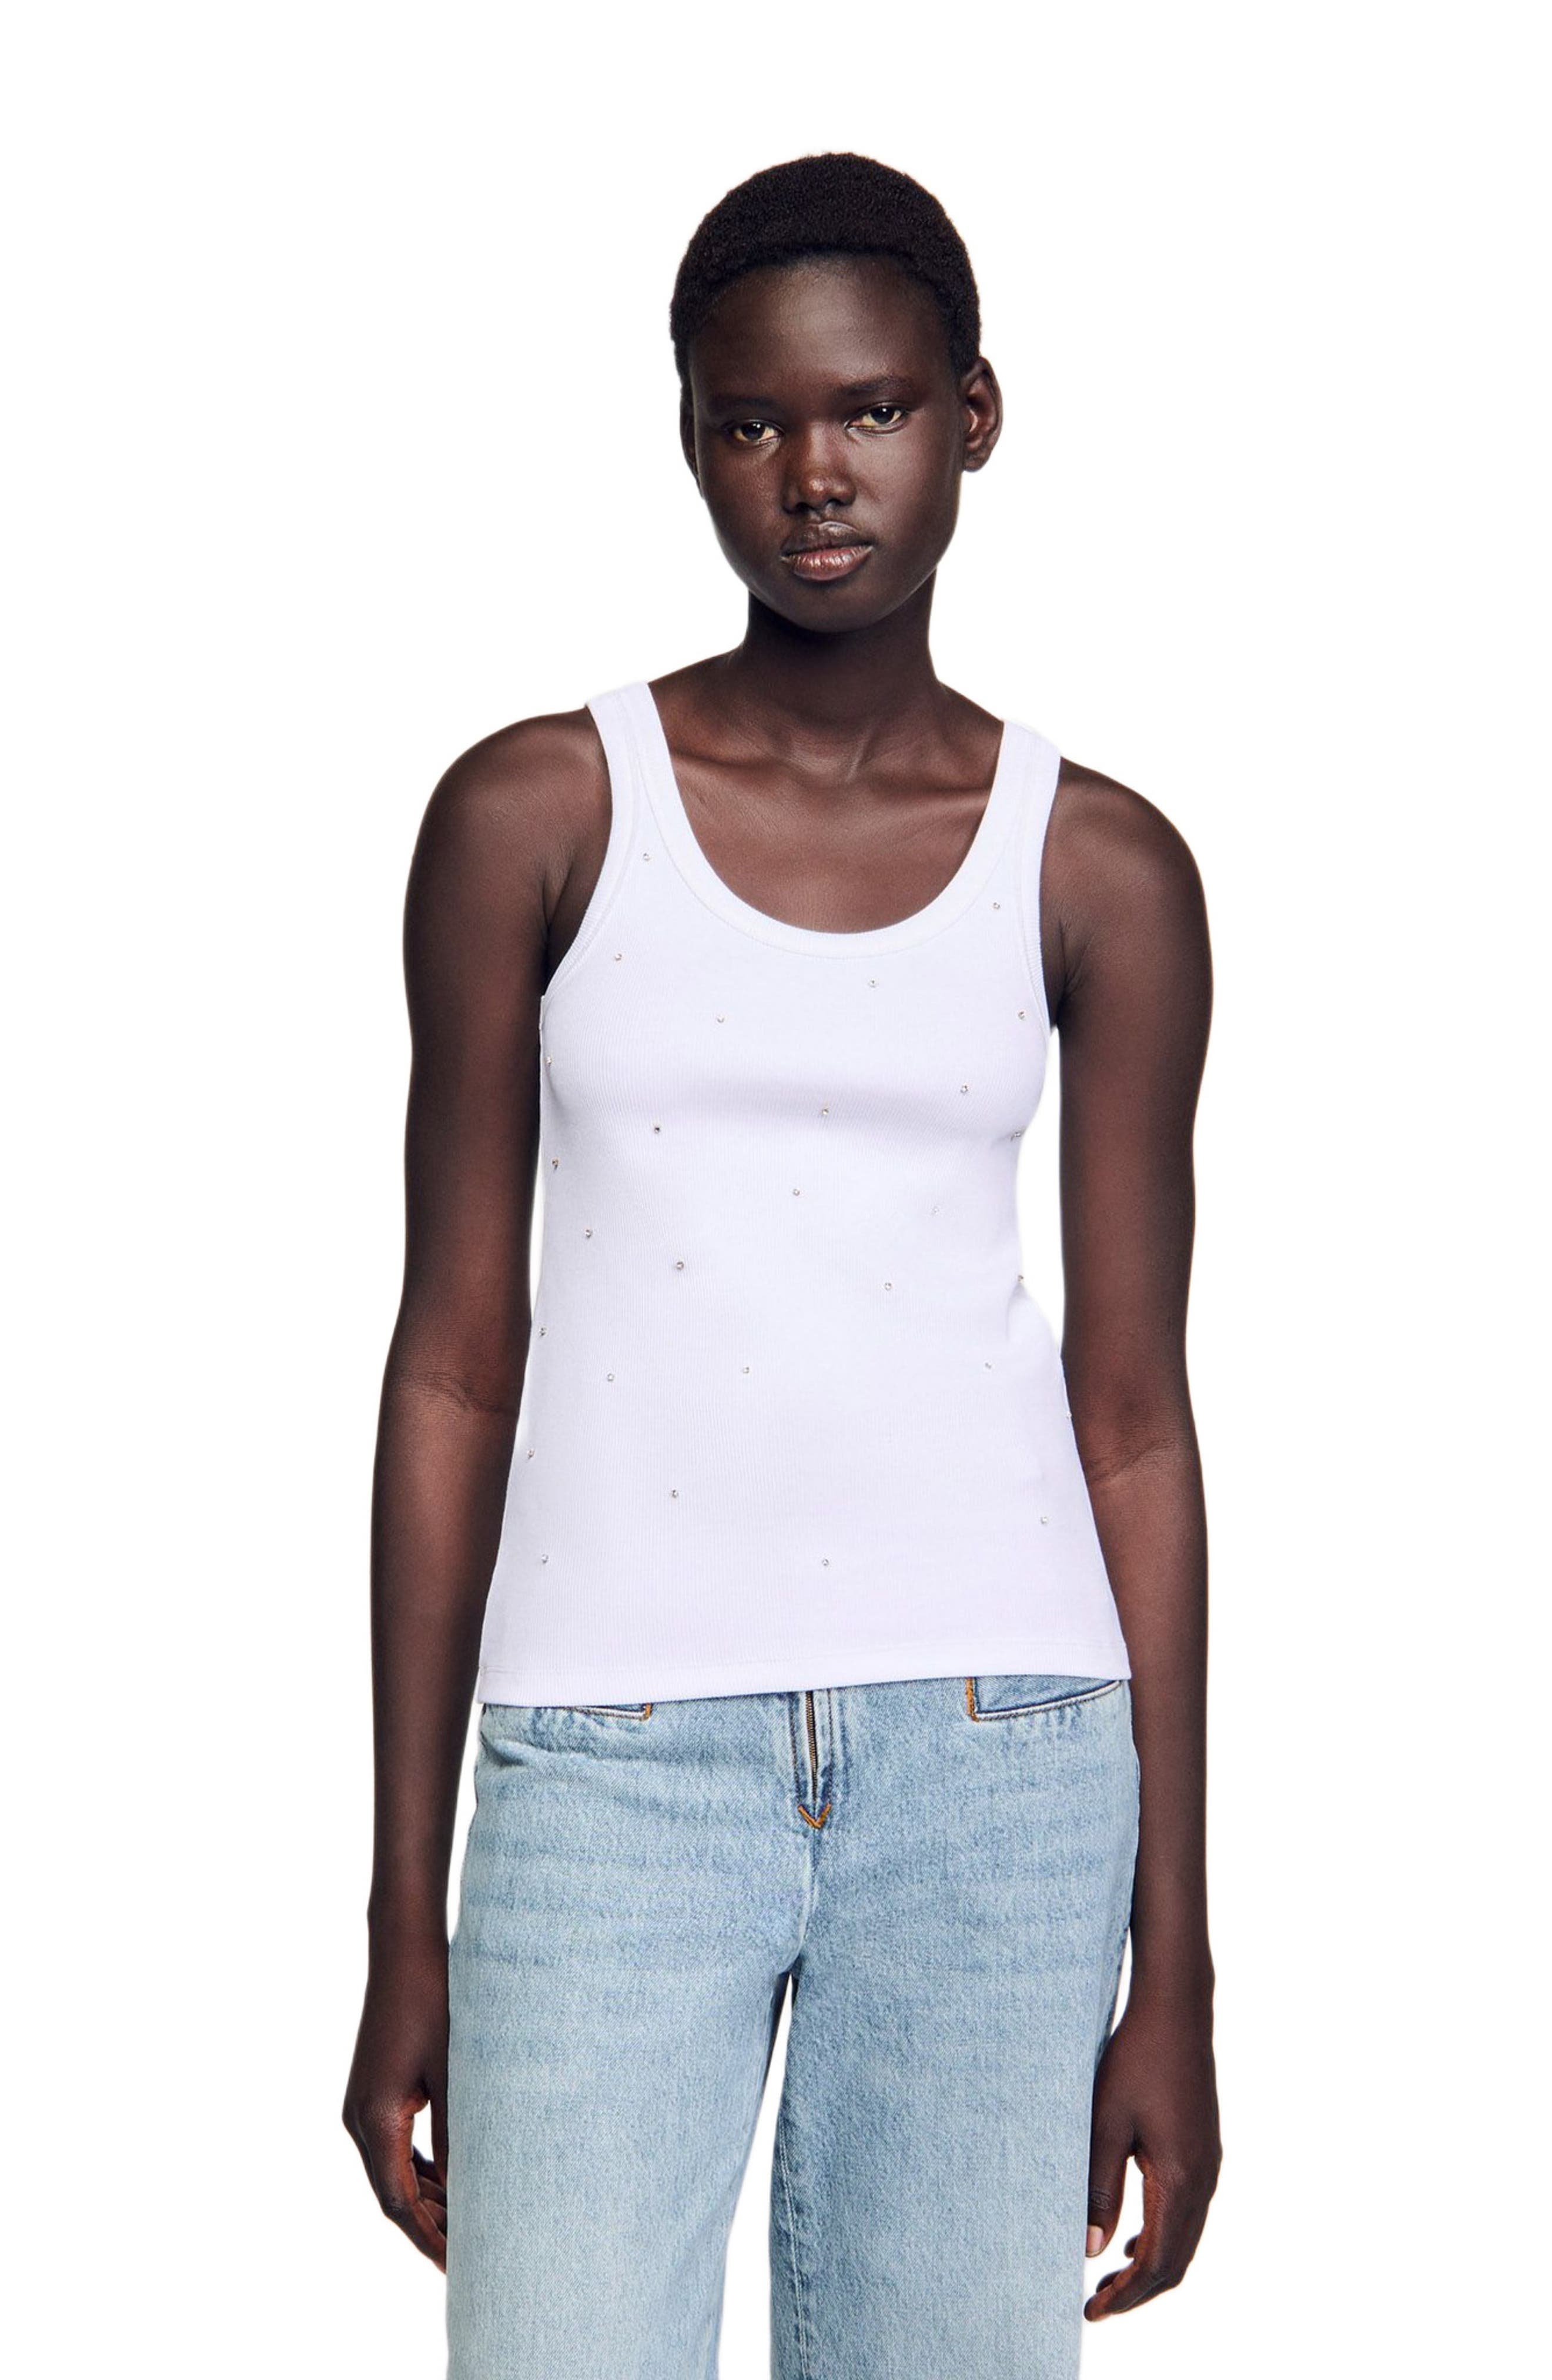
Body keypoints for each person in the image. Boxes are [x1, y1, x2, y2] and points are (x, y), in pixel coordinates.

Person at [343, 150, 1221, 2379]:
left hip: (1005, 1767)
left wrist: (1180, 1965)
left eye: (875, 411)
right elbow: (454, 1368)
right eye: (753, 423)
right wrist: (403, 1909)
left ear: (974, 417)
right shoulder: (534, 816)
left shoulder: (1102, 866)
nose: (816, 474)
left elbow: (1135, 1420)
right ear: (692, 439)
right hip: (607, 1767)